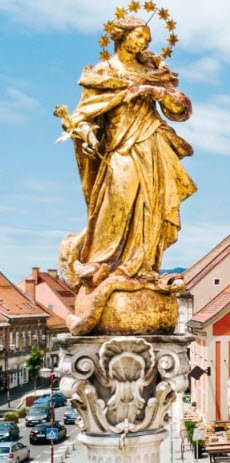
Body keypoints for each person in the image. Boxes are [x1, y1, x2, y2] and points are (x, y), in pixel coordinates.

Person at [57, 17, 196, 334]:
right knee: (116, 205)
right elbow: (84, 116)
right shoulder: (104, 73)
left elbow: (182, 111)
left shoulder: (153, 71)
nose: (142, 42)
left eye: (146, 37)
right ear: (120, 37)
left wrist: (155, 91)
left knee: (151, 210)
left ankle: (143, 268)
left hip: (151, 146)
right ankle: (104, 266)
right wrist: (89, 135)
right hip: (119, 149)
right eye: (137, 35)